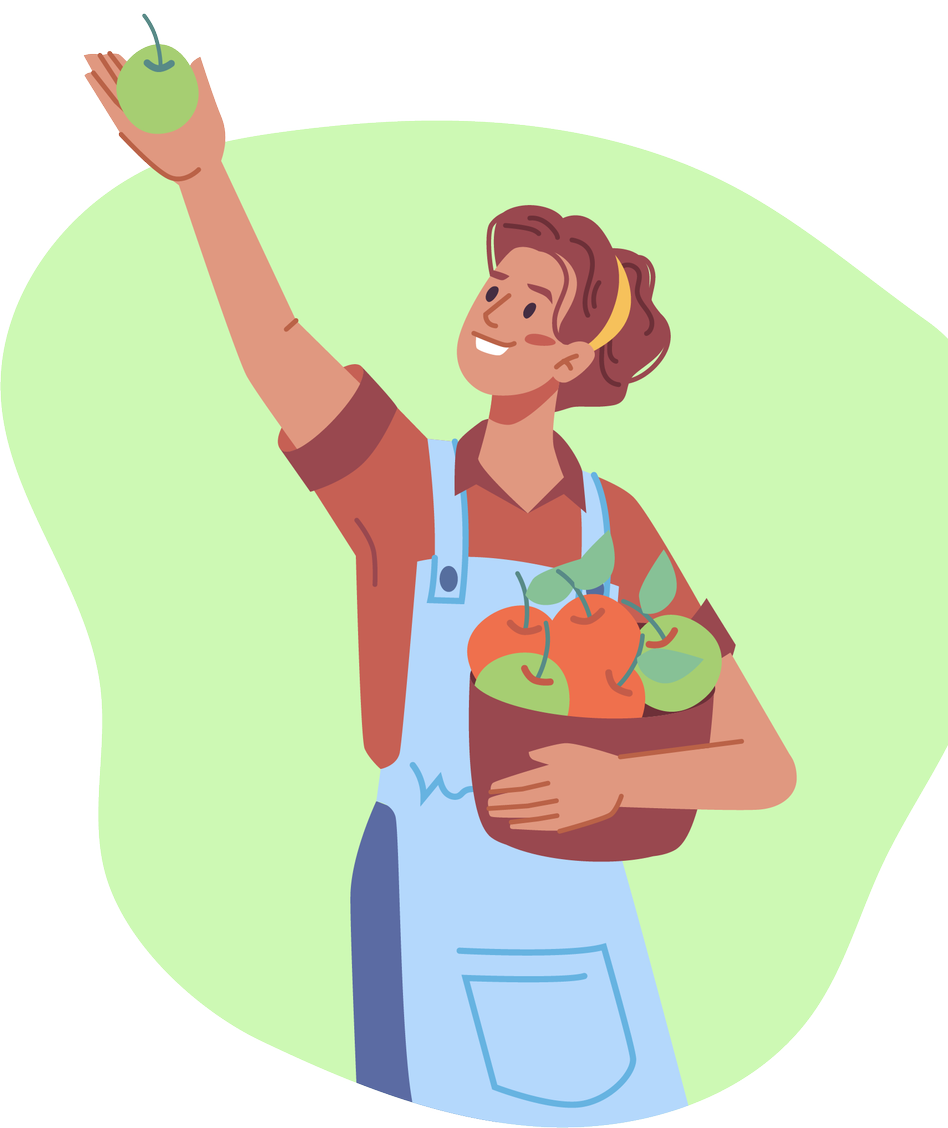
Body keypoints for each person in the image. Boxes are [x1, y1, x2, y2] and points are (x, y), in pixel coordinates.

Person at [84, 52, 796, 1127]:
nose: (494, 311)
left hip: (590, 929)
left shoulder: (623, 530)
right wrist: (203, 179)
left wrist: (616, 781)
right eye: (494, 286)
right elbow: (280, 350)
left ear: (566, 364)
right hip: (427, 895)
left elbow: (761, 765)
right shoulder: (401, 490)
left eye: (530, 304)